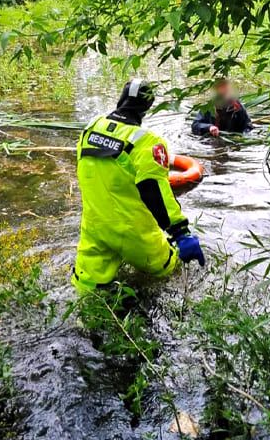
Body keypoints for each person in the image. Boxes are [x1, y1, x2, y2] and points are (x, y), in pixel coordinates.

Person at [71, 79, 206, 296]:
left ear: (121, 98)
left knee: (88, 292)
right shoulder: (147, 142)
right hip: (134, 235)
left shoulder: (91, 128)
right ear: (148, 107)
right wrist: (180, 232)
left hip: (94, 229)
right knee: (169, 273)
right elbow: (154, 190)